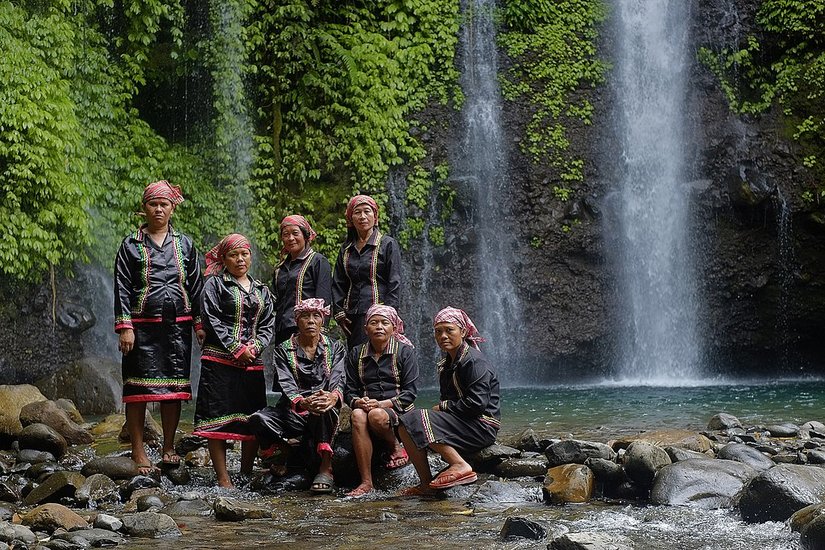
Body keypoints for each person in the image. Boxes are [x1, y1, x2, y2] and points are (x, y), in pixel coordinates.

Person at [114, 180, 204, 474]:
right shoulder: (130, 245)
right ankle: (138, 450)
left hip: (177, 326)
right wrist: (125, 326)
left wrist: (199, 325)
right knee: (137, 389)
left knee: (173, 389)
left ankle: (168, 446)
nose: (158, 209)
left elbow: (196, 286)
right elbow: (122, 287)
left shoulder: (185, 244)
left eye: (164, 204)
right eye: (153, 204)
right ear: (145, 208)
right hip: (141, 327)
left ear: (172, 209)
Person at [193, 233, 275, 488]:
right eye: (233, 255)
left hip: (252, 363)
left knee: (251, 417)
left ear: (250, 256)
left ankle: (246, 472)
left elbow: (268, 323)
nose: (240, 260)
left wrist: (257, 345)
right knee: (217, 418)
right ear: (224, 259)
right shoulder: (214, 286)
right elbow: (211, 318)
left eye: (244, 254)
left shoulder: (262, 290)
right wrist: (236, 348)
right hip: (219, 362)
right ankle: (223, 477)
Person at [247, 298, 346, 494]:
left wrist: (332, 397)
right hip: (294, 411)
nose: (311, 321)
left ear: (323, 321)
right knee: (258, 419)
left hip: (323, 409)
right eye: (305, 317)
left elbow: (339, 379)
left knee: (324, 407)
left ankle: (325, 468)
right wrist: (302, 401)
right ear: (296, 321)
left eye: (316, 316)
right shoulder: (284, 349)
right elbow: (286, 383)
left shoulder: (335, 347)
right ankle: (282, 452)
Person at [398, 307, 500, 494]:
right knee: (405, 423)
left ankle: (460, 465)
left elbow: (477, 405)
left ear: (462, 331)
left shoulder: (474, 362)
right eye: (438, 331)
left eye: (449, 330)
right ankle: (426, 484)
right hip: (465, 423)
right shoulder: (447, 365)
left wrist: (444, 407)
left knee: (417, 416)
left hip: (482, 426)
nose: (443, 336)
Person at [344, 304, 418, 497]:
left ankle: (395, 445)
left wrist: (382, 404)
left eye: (385, 323)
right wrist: (358, 402)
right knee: (358, 415)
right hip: (368, 408)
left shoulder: (405, 352)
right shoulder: (356, 354)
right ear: (365, 328)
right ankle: (366, 482)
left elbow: (411, 393)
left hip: (397, 410)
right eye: (373, 323)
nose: (379, 327)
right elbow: (349, 390)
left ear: (394, 328)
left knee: (376, 415)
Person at [332, 195, 402, 349]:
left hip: (379, 315)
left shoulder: (387, 244)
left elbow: (394, 281)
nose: (362, 216)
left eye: (367, 211)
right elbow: (338, 282)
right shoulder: (346, 249)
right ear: (351, 218)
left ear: (375, 216)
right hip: (353, 316)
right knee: (357, 356)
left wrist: (388, 315)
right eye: (357, 212)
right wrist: (339, 312)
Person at [272, 215, 332, 345]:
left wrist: (320, 331)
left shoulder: (318, 261)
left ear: (305, 236)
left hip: (308, 330)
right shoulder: (280, 268)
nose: (291, 238)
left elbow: (324, 298)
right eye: (286, 234)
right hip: (282, 329)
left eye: (295, 233)